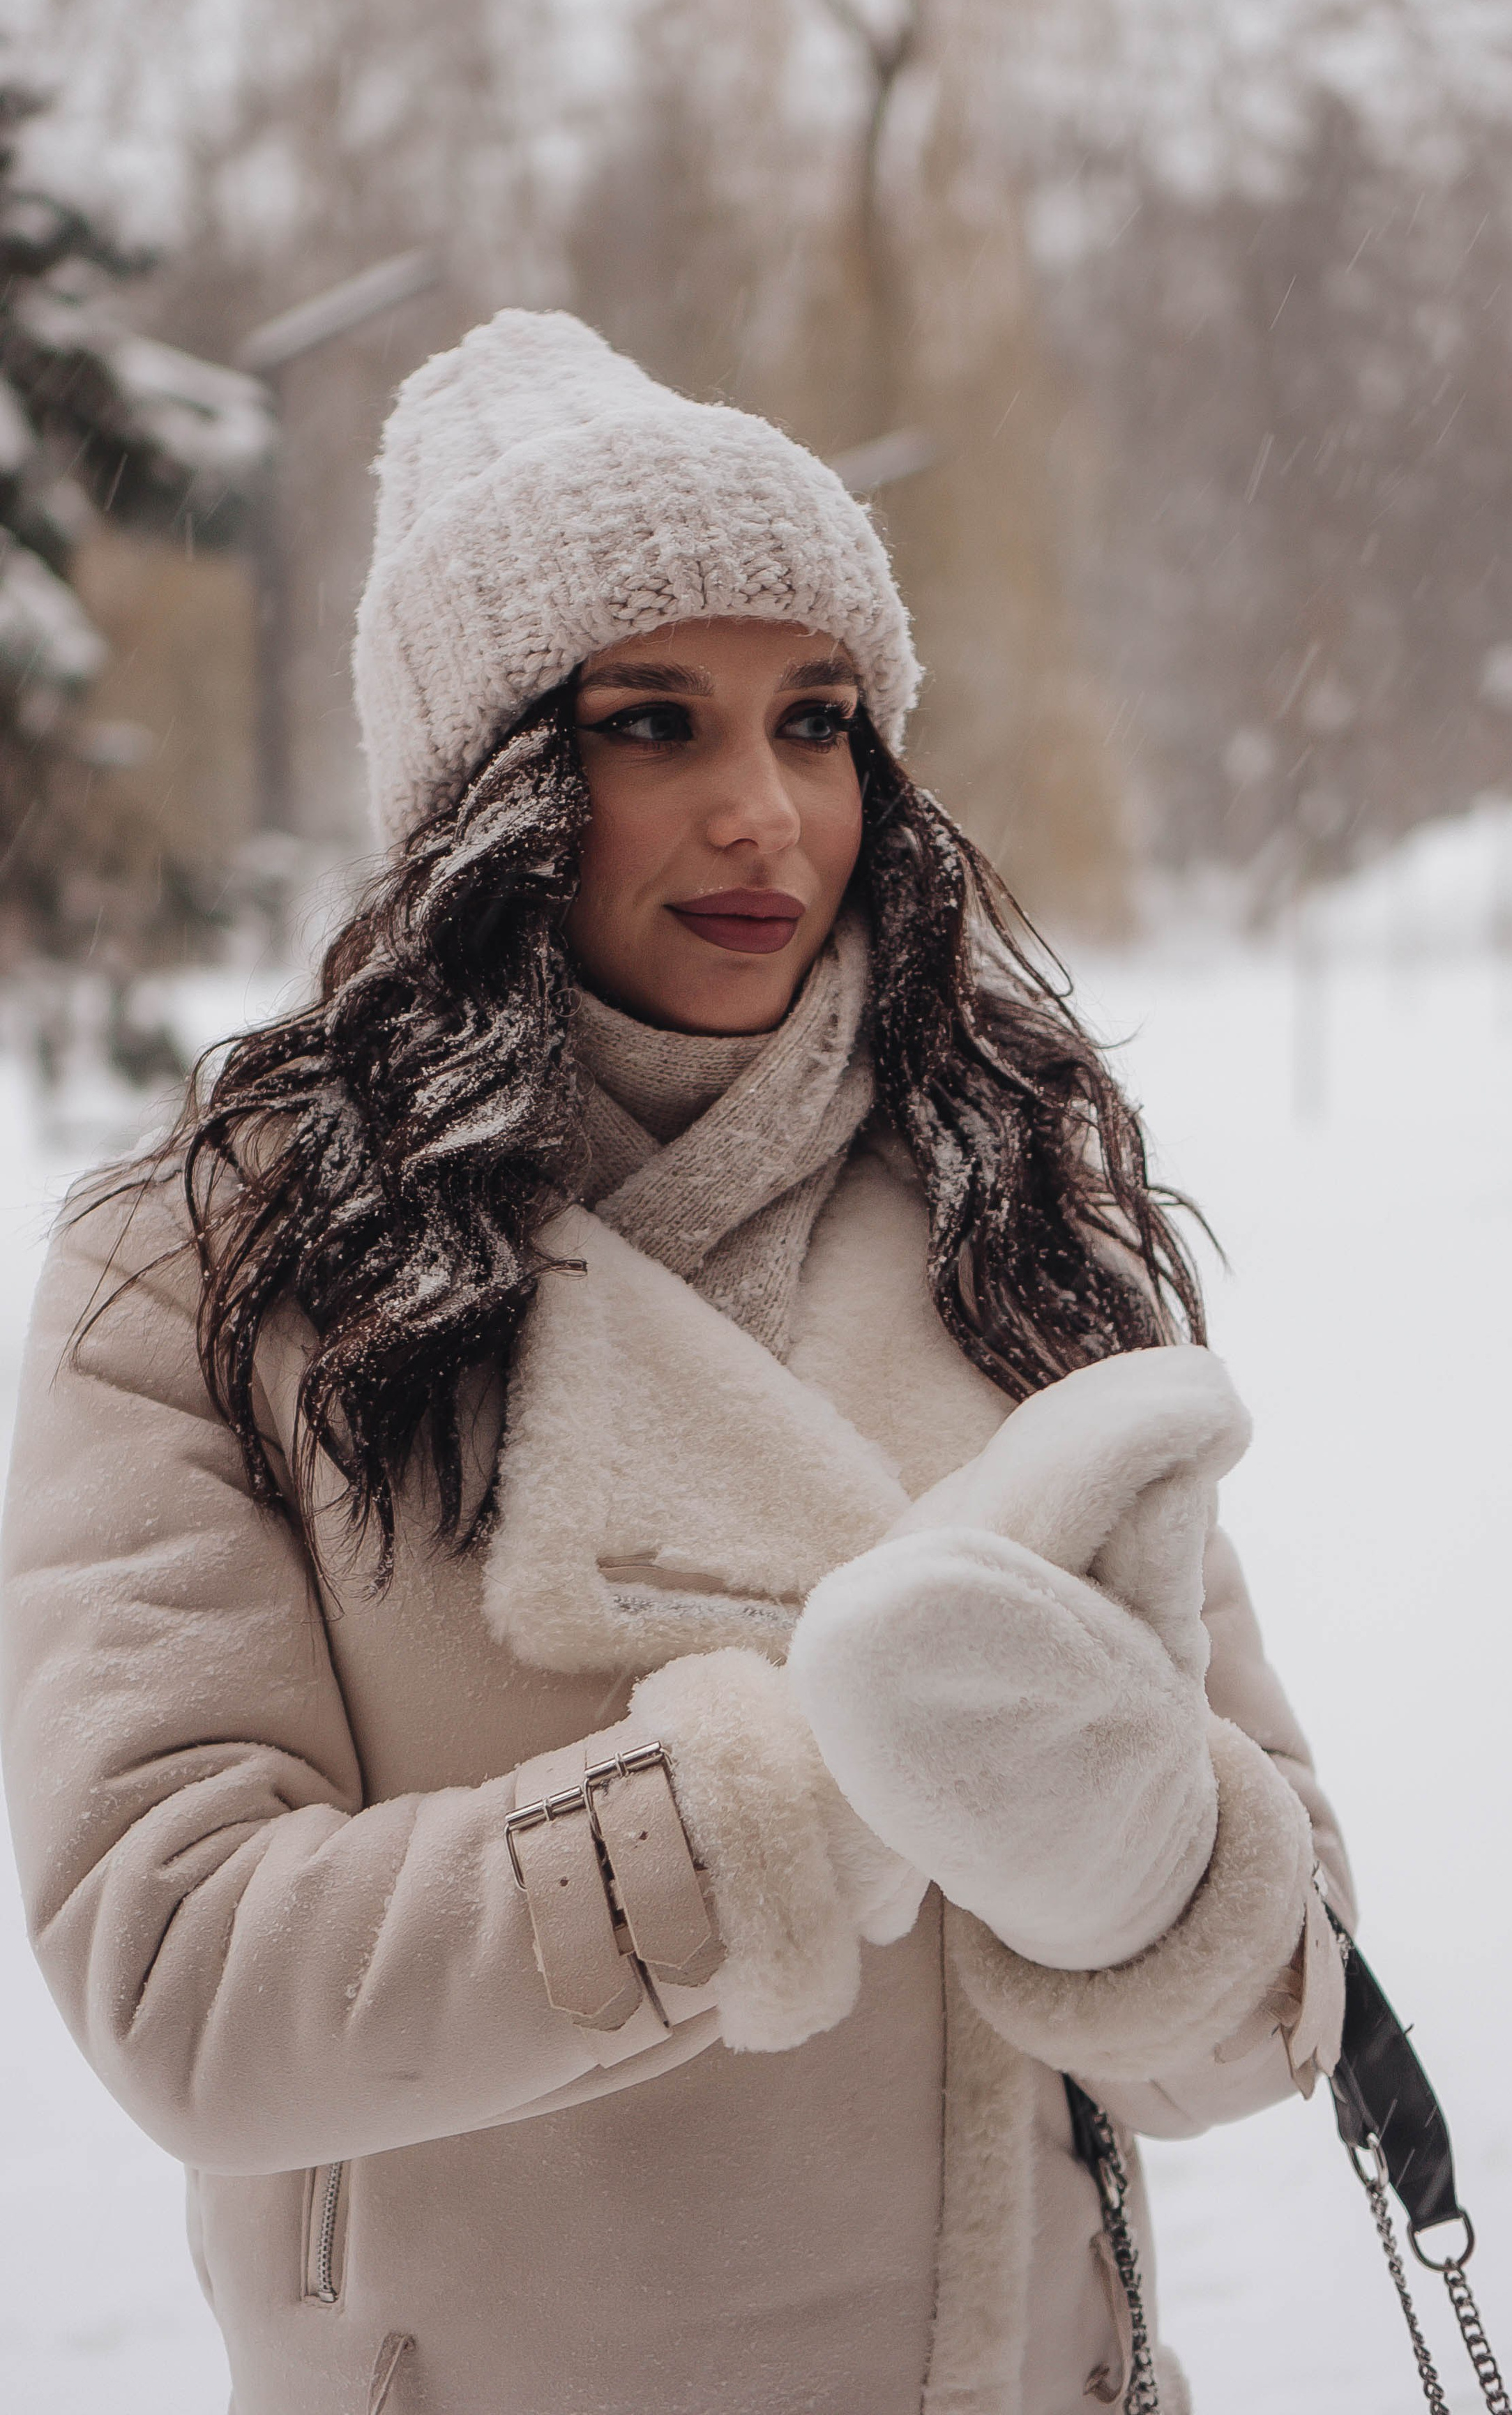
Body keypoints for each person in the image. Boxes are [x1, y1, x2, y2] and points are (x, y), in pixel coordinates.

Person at [0, 312, 1353, 2415]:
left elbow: (1277, 2014)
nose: (762, 817)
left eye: (817, 722)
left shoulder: (1009, 1213)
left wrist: (1132, 1854)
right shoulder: (212, 1262)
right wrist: (780, 1811)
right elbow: (182, 1974)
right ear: (486, 784)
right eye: (654, 724)